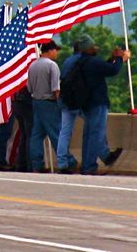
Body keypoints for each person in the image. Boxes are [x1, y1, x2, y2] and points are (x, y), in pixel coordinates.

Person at [72, 34, 129, 175]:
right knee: (96, 134)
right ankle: (90, 166)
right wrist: (121, 59)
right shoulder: (92, 62)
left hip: (87, 103)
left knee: (89, 135)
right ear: (88, 49)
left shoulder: (82, 62)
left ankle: (87, 164)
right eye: (93, 46)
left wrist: (113, 58)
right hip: (98, 103)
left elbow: (104, 68)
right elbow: (112, 70)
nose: (96, 48)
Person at [27, 41, 62, 173]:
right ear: (49, 51)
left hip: (36, 101)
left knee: (36, 134)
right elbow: (55, 88)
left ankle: (37, 163)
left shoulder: (33, 65)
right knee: (56, 133)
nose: (56, 53)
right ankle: (65, 161)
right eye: (55, 50)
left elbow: (29, 87)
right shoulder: (52, 66)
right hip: (49, 102)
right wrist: (59, 103)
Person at [55, 42, 82, 174]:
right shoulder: (81, 61)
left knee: (64, 132)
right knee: (94, 128)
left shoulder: (67, 61)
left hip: (64, 100)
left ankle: (62, 162)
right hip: (77, 101)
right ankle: (102, 155)